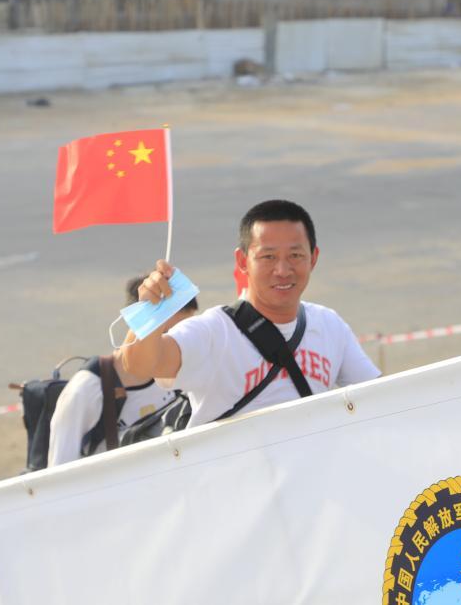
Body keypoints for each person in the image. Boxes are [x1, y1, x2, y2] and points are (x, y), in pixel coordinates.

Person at [122, 199, 381, 428]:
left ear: (313, 258)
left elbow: (382, 398)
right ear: (242, 261)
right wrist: (150, 313)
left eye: (295, 255)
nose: (282, 270)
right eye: (268, 257)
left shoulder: (329, 325)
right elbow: (139, 365)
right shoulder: (214, 332)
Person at [47, 277, 199, 467]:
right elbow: (59, 471)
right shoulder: (85, 391)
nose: (180, 344)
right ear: (138, 327)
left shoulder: (183, 370)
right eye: (172, 333)